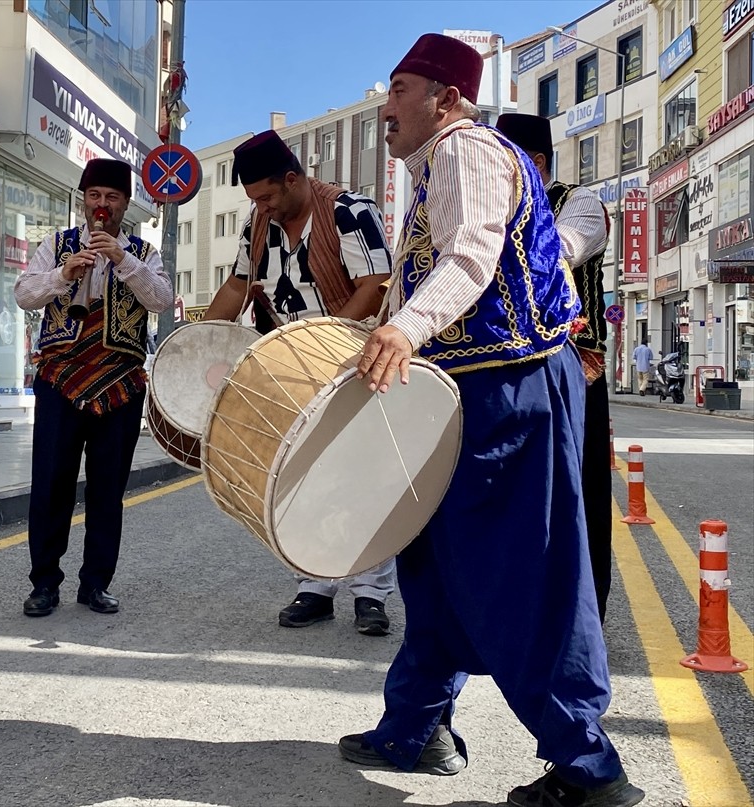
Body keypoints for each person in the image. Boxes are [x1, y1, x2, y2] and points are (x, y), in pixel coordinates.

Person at [340, 34, 643, 807]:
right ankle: (415, 724)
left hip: (506, 389)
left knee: (525, 574)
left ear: (444, 96)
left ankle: (589, 766)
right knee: (437, 564)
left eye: (400, 88)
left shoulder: (468, 149)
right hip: (469, 389)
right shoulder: (437, 166)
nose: (387, 104)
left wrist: (404, 329)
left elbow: (473, 258)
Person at [203, 129, 396, 636]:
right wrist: (200, 343)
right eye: (254, 200)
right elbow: (239, 284)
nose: (262, 206)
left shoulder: (351, 210)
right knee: (304, 477)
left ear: (293, 179)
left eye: (267, 195)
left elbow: (375, 288)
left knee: (364, 478)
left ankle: (370, 594)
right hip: (291, 367)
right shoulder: (260, 220)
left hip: (354, 361)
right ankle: (313, 584)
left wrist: (327, 350)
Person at [14, 158, 173, 617]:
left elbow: (161, 299)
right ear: (84, 200)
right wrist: (64, 274)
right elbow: (24, 294)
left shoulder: (143, 254)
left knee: (107, 492)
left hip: (120, 386)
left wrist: (121, 260)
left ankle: (95, 584)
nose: (102, 205)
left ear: (126, 204)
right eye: (94, 196)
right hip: (60, 380)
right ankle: (44, 583)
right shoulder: (57, 245)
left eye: (112, 197)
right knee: (50, 486)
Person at [496, 112, 614, 622]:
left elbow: (557, 253)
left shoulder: (579, 204)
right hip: (511, 371)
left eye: (501, 163)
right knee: (519, 496)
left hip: (574, 371)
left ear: (535, 162)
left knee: (578, 495)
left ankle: (583, 616)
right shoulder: (490, 209)